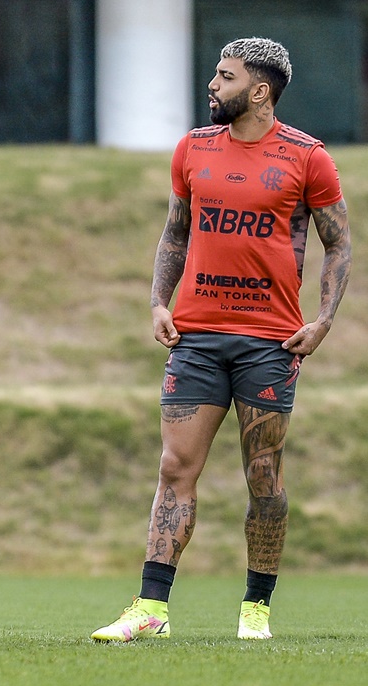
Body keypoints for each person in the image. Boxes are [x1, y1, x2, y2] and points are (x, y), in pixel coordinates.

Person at [91, 37, 351, 643]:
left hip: (269, 343)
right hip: (197, 338)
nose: (212, 84)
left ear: (259, 92)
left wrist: (324, 318)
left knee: (264, 477)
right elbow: (175, 231)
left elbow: (338, 241)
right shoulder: (193, 149)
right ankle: (150, 608)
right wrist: (159, 300)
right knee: (175, 467)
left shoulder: (308, 158)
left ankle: (255, 607)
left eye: (225, 76)